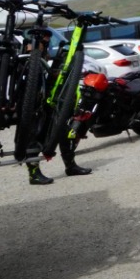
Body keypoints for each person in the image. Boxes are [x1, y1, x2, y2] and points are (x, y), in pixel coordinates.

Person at [22, 28, 92, 185]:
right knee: (35, 137)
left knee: (63, 130)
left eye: (47, 41)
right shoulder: (27, 58)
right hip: (32, 106)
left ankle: (70, 165)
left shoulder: (42, 56)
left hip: (47, 101)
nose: (46, 44)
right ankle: (33, 173)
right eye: (44, 41)